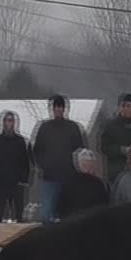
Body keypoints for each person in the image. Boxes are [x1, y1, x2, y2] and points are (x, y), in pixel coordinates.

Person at [29, 94, 87, 222]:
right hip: (49, 178)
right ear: (52, 109)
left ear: (65, 109)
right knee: (46, 215)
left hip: (69, 179)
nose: (58, 109)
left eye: (61, 107)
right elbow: (36, 150)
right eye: (56, 107)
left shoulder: (73, 128)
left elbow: (81, 151)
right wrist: (41, 166)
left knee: (67, 216)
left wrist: (79, 171)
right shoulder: (45, 128)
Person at [0, 110, 33, 221]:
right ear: (3, 122)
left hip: (17, 183)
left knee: (19, 216)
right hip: (1, 183)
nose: (10, 123)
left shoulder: (20, 141)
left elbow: (25, 162)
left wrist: (24, 180)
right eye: (8, 120)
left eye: (12, 121)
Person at [56, 148, 109, 220]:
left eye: (91, 164)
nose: (89, 168)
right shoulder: (70, 183)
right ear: (78, 165)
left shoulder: (98, 183)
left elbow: (104, 205)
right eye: (85, 164)